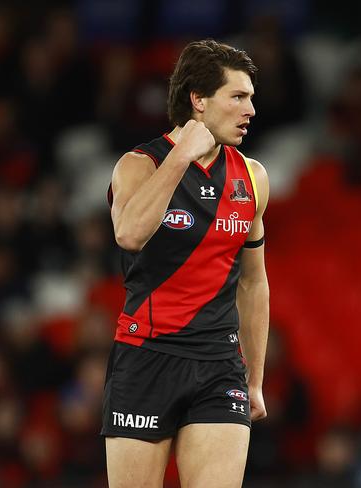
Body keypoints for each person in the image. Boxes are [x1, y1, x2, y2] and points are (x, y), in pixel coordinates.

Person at [103, 39, 270, 487]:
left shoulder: (252, 177)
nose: (250, 109)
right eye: (237, 97)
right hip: (147, 357)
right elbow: (130, 234)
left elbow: (254, 284)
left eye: (251, 97)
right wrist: (180, 156)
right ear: (198, 100)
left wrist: (254, 379)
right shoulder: (138, 165)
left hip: (219, 363)